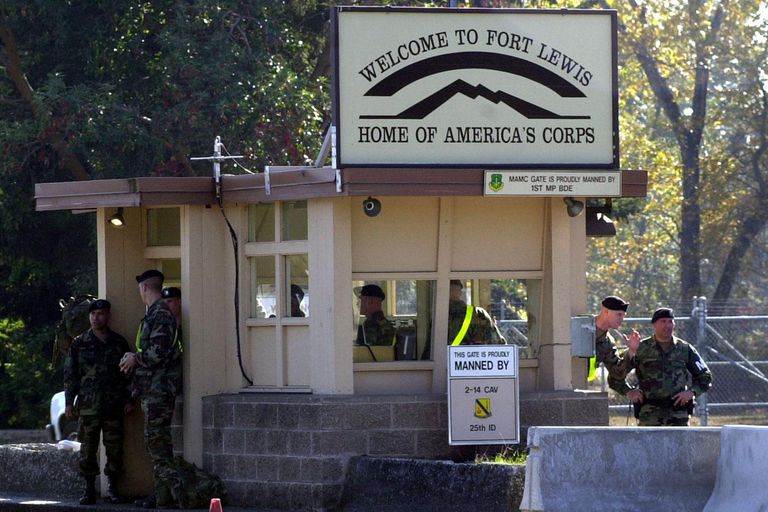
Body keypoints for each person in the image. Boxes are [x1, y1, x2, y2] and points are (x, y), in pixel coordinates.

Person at [120, 270, 182, 508]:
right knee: (156, 441)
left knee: (158, 442)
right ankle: (162, 493)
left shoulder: (160, 315)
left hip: (160, 391)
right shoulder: (154, 314)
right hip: (152, 389)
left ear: (144, 288)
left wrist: (135, 358)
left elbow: (159, 351)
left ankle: (165, 494)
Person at [64, 299, 131, 505]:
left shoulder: (119, 343)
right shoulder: (79, 343)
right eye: (93, 314)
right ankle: (89, 489)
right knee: (88, 448)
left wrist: (130, 400)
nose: (95, 318)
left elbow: (128, 375)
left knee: (114, 447)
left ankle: (112, 488)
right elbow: (71, 375)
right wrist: (69, 402)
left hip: (113, 405)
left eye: (100, 314)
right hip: (88, 406)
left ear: (108, 316)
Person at [611, 307, 712, 426]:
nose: (667, 325)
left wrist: (692, 392)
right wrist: (629, 392)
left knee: (679, 444)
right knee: (650, 444)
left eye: (670, 321)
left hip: (678, 415)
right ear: (654, 324)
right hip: (650, 416)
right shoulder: (641, 348)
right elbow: (615, 376)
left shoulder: (684, 349)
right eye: (663, 321)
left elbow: (705, 377)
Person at [592, 295, 641, 384]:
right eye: (619, 314)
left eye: (623, 315)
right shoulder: (581, 325)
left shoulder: (607, 342)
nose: (622, 319)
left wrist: (631, 351)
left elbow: (617, 373)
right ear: (606, 311)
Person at [448, 280, 506, 345]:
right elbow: (498, 344)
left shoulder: (435, 315)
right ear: (460, 292)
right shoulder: (478, 313)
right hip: (469, 354)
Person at [162, 286, 183, 351]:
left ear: (180, 301)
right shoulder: (162, 327)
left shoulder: (189, 325)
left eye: (169, 301)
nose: (166, 305)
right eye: (164, 302)